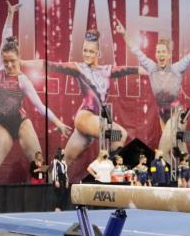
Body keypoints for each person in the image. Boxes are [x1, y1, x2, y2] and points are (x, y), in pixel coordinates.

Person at [0, 3, 72, 185]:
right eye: (6, 62)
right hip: (3, 125)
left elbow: (40, 106)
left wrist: (58, 122)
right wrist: (10, 14)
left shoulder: (23, 81)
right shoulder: (0, 69)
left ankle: (45, 202)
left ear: (18, 59)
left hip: (21, 123)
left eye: (13, 61)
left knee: (38, 166)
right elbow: (5, 36)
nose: (9, 65)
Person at [41, 30, 137, 171]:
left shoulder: (106, 70)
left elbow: (131, 69)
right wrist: (22, 63)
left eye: (91, 51)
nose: (87, 54)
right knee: (120, 134)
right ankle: (110, 170)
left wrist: (154, 70)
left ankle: (50, 182)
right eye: (85, 50)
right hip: (85, 117)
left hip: (90, 122)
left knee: (65, 161)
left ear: (98, 53)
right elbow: (51, 65)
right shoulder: (79, 68)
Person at [115, 20, 190, 161]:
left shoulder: (177, 68)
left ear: (169, 55)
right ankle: (187, 175)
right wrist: (124, 34)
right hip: (163, 117)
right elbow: (136, 50)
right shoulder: (152, 68)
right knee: (179, 151)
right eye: (158, 52)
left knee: (162, 150)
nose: (161, 54)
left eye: (163, 52)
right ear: (156, 55)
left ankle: (164, 177)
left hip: (177, 116)